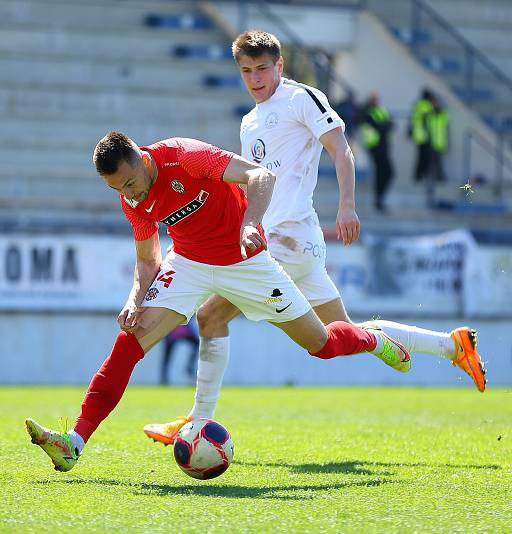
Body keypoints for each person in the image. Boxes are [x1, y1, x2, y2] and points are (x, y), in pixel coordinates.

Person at [142, 31, 486, 446]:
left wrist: (347, 206)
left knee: (211, 317)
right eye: (246, 71)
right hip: (284, 241)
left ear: (280, 65)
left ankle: (197, 423)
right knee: (346, 330)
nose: (255, 78)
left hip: (288, 239)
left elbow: (342, 151)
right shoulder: (249, 122)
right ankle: (452, 345)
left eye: (263, 68)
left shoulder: (301, 97)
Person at [25, 131, 412, 472]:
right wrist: (133, 300)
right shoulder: (132, 201)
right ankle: (74, 443)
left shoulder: (184, 155)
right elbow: (147, 260)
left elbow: (261, 175)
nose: (129, 194)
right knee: (128, 342)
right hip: (189, 263)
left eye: (130, 183)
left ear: (143, 160)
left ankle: (373, 339)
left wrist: (249, 222)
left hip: (246, 262)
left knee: (323, 345)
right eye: (119, 190)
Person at [360, 92, 395, 213]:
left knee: (388, 173)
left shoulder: (381, 110)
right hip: (375, 146)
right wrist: (384, 126)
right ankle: (378, 200)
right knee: (382, 173)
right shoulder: (368, 112)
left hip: (384, 146)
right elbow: (381, 127)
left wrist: (384, 126)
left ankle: (380, 198)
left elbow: (391, 125)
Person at [160, 320, 199, 385]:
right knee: (166, 358)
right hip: (172, 333)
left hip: (183, 331)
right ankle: (164, 379)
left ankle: (190, 369)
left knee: (198, 345)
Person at [411, 88, 435, 184]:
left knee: (420, 157)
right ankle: (421, 176)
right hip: (425, 135)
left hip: (418, 135)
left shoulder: (418, 105)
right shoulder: (426, 106)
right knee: (424, 158)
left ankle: (418, 176)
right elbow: (426, 120)